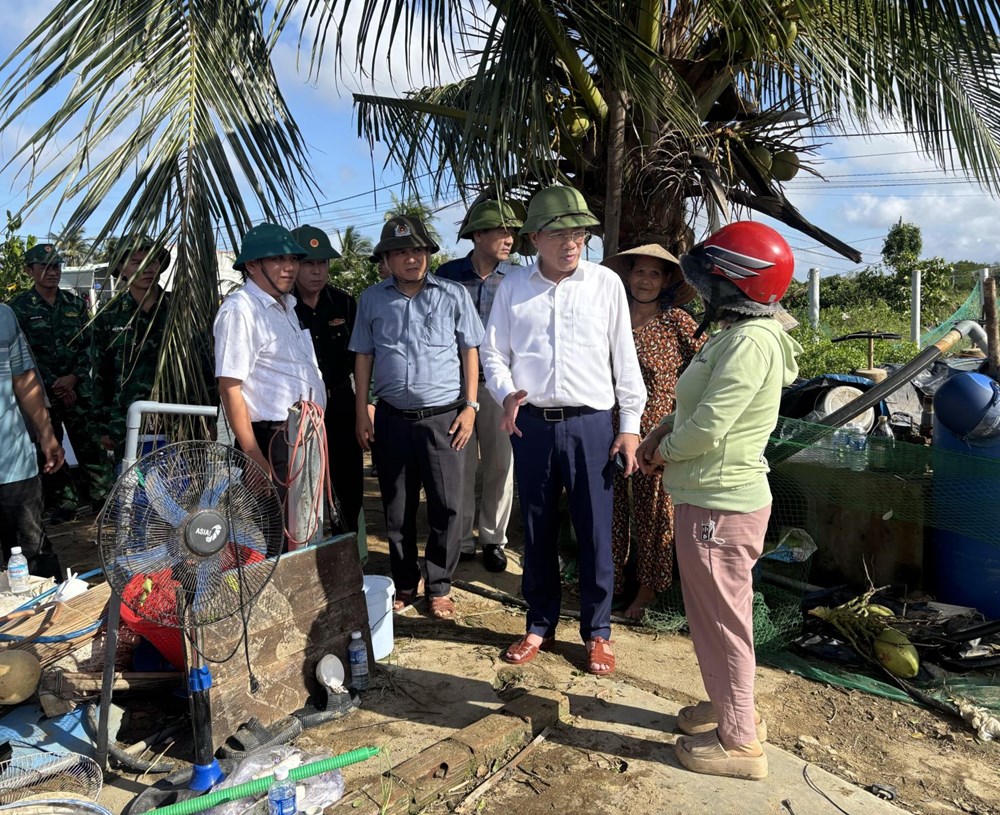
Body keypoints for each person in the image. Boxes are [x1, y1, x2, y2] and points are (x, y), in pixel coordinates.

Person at [636, 222, 801, 781]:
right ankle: (731, 704)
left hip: (720, 505)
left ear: (736, 282)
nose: (702, 288)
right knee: (710, 618)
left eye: (710, 277)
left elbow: (709, 427)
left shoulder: (752, 343)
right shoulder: (737, 335)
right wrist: (660, 430)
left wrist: (662, 454)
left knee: (723, 622)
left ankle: (739, 743)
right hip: (709, 497)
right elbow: (694, 406)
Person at [480, 185, 647, 676]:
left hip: (593, 425)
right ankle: (539, 623)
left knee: (596, 530)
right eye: (558, 234)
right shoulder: (513, 288)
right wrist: (505, 393)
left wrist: (631, 426)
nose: (571, 242)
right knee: (536, 529)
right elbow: (493, 353)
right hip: (531, 424)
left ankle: (598, 633)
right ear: (534, 238)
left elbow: (624, 359)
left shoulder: (605, 285)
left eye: (578, 232)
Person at [350, 215, 483, 620]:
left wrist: (471, 407)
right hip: (391, 419)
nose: (411, 258)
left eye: (418, 250)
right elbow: (364, 356)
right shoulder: (372, 300)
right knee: (397, 508)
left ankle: (439, 585)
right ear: (387, 259)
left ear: (428, 254)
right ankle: (406, 583)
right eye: (401, 252)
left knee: (448, 507)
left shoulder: (453, 295)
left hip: (445, 419)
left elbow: (469, 352)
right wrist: (362, 412)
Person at [601, 244, 703, 619]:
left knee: (655, 511)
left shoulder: (677, 322)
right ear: (628, 276)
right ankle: (609, 583)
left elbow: (705, 370)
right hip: (608, 427)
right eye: (639, 272)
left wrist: (679, 423)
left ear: (666, 281)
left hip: (655, 435)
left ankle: (648, 590)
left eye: (654, 274)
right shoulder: (609, 317)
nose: (645, 280)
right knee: (608, 509)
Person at [437, 200, 522, 572]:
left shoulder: (518, 277)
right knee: (461, 464)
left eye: (512, 232)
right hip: (456, 389)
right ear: (477, 235)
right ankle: (463, 539)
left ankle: (493, 538)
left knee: (502, 465)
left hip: (502, 388)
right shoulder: (447, 275)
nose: (509, 239)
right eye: (501, 231)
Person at [214, 223, 325, 505]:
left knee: (304, 527)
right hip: (272, 439)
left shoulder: (287, 306)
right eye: (278, 259)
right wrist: (253, 456)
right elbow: (230, 387)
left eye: (292, 259)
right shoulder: (241, 309)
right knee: (277, 534)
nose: (289, 267)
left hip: (302, 434)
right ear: (252, 264)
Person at [10, 243, 112, 515]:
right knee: (49, 447)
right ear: (29, 271)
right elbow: (22, 356)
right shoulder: (17, 309)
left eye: (56, 266)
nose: (52, 272)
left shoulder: (76, 305)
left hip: (78, 390)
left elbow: (88, 346)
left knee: (90, 445)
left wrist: (73, 378)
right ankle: (64, 504)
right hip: (41, 393)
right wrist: (53, 383)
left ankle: (103, 499)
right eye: (44, 267)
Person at [291, 224, 362, 534]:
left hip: (341, 402)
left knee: (348, 481)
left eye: (322, 263)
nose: (316, 271)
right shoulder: (282, 307)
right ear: (293, 264)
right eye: (308, 263)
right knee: (302, 484)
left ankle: (346, 550)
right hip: (300, 410)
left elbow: (363, 358)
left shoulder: (345, 304)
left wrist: (366, 405)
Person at [91, 238, 172, 460]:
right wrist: (102, 425)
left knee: (183, 491)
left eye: (153, 261)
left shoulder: (179, 311)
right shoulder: (109, 316)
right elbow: (101, 374)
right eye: (137, 262)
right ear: (121, 269)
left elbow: (202, 366)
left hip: (178, 421)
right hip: (126, 424)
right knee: (131, 491)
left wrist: (207, 420)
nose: (147, 269)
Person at [0, 302, 65, 578]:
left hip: (13, 462)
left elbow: (24, 380)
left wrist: (47, 434)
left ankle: (54, 618)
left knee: (31, 554)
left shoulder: (4, 315)